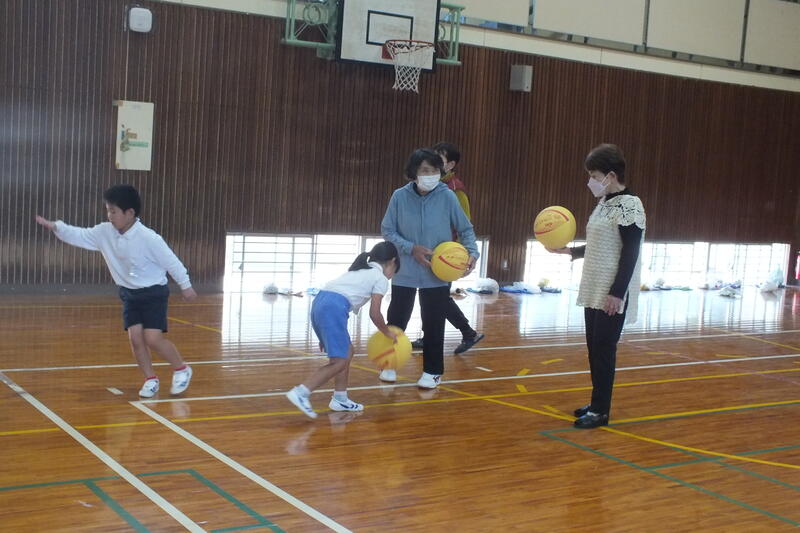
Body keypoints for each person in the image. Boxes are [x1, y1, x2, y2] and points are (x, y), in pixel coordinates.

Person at [35, 185, 197, 398]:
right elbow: (80, 235)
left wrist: (186, 285)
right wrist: (57, 226)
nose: (109, 216)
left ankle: (181, 369)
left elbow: (172, 262)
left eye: (113, 211)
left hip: (153, 293)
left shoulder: (149, 238)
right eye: (108, 210)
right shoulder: (104, 232)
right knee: (136, 339)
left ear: (129, 213)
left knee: (152, 339)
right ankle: (150, 379)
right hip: (129, 294)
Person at [548, 144, 646, 428]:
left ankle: (601, 411)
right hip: (593, 288)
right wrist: (569, 251)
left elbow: (630, 252)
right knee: (594, 348)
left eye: (594, 175)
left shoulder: (630, 205)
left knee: (604, 349)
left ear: (611, 175)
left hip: (611, 291)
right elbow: (599, 245)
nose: (590, 181)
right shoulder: (605, 202)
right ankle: (596, 402)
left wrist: (617, 293)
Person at [380, 148, 479, 388]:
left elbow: (465, 229)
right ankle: (389, 364)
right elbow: (388, 230)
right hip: (405, 271)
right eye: (425, 170)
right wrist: (410, 248)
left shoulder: (448, 197)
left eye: (435, 170)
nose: (430, 175)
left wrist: (472, 254)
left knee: (434, 322)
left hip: (438, 272)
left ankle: (433, 371)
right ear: (414, 172)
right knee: (397, 320)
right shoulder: (399, 197)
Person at [286, 241, 400, 418]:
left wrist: (323, 336)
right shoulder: (380, 278)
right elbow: (375, 313)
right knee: (339, 361)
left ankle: (340, 398)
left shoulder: (360, 270)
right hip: (334, 307)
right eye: (395, 271)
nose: (392, 276)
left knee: (347, 351)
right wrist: (387, 332)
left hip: (320, 303)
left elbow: (331, 297)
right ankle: (302, 392)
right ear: (392, 261)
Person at [410, 142, 484, 355]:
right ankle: (429, 336)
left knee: (439, 298)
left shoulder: (455, 191)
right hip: (429, 252)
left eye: (439, 160)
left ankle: (468, 332)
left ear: (450, 165)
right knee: (427, 296)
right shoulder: (427, 188)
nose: (432, 164)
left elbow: (465, 225)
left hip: (447, 255)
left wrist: (461, 256)